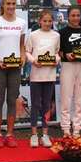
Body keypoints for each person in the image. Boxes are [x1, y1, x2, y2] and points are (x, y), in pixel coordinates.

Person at [0, 0, 26, 148]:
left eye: (13, 4)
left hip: (15, 68)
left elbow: (22, 45)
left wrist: (23, 58)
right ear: (3, 5)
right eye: (8, 3)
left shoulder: (22, 23)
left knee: (12, 100)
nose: (11, 6)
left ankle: (10, 134)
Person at [25, 9, 60, 147]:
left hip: (49, 74)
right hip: (36, 75)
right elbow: (27, 52)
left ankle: (45, 134)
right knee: (35, 104)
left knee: (46, 105)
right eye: (44, 21)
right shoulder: (33, 35)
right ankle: (34, 134)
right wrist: (33, 61)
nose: (47, 23)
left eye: (50, 21)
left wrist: (56, 60)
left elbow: (57, 53)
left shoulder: (56, 35)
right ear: (39, 21)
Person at [58, 5, 81, 137]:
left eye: (78, 15)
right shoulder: (62, 32)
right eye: (73, 15)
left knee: (80, 99)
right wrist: (66, 55)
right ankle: (66, 129)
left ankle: (77, 129)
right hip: (68, 66)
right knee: (66, 98)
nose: (76, 18)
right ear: (68, 16)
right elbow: (59, 51)